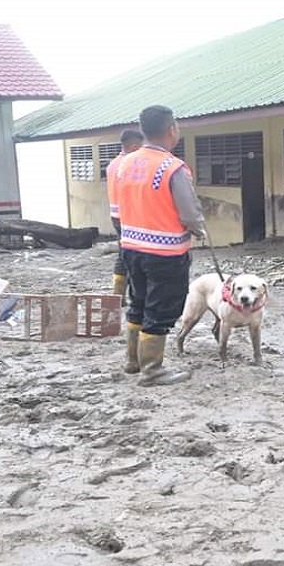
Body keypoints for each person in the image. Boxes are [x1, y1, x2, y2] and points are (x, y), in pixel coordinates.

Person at [116, 105, 207, 386]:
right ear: (171, 129)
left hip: (131, 246)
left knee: (139, 303)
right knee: (161, 308)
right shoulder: (172, 167)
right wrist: (199, 228)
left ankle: (133, 360)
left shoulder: (125, 163)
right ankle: (152, 370)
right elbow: (189, 212)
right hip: (165, 252)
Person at [107, 128, 145, 299]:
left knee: (123, 254)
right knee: (131, 256)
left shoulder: (112, 164)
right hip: (129, 216)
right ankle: (130, 295)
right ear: (134, 146)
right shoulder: (131, 164)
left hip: (115, 215)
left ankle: (118, 294)